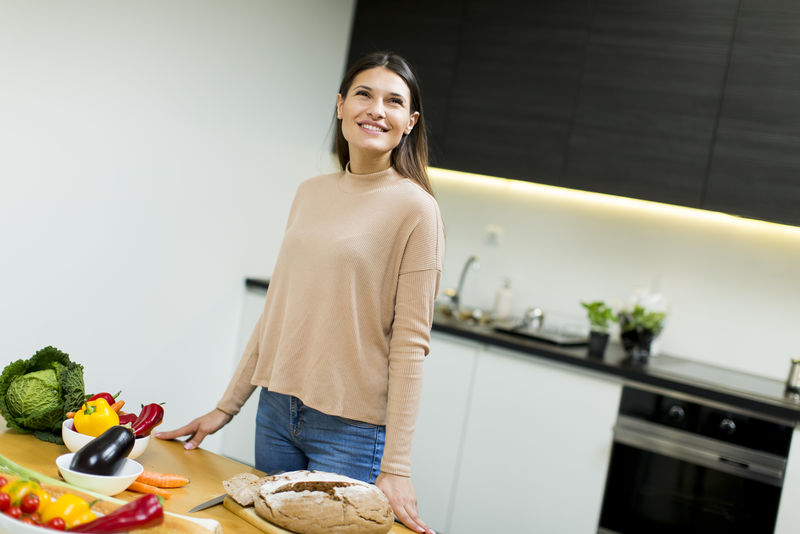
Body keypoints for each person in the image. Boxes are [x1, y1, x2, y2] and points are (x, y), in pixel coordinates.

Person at [156, 51, 443, 534]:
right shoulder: (310, 192)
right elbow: (278, 309)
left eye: (394, 101)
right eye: (364, 94)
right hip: (276, 412)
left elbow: (411, 344)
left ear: (409, 122)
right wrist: (226, 406)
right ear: (341, 105)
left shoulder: (417, 210)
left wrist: (397, 467)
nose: (376, 109)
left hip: (351, 431)